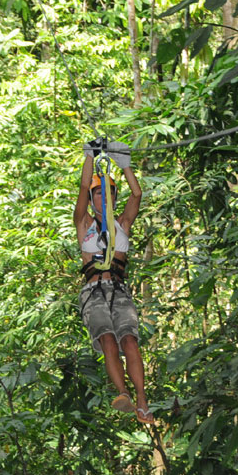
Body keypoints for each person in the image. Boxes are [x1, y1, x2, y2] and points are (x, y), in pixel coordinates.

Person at [74, 140, 153, 424]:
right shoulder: (84, 224)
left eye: (108, 193)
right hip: (93, 292)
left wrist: (125, 165)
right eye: (99, 194)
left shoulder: (123, 224)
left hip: (118, 290)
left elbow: (137, 193)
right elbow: (83, 189)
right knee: (107, 339)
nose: (102, 198)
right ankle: (123, 394)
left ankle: (143, 399)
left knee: (129, 341)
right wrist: (89, 158)